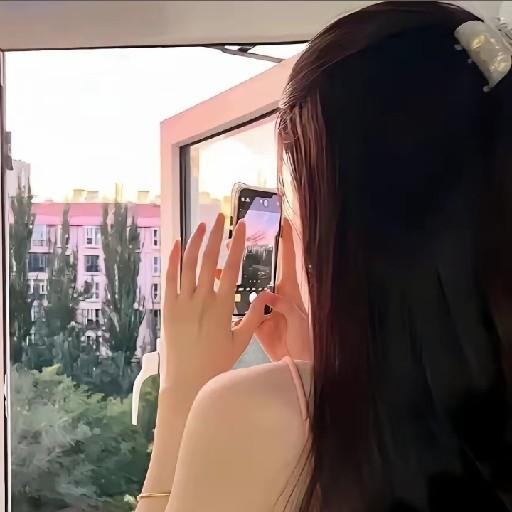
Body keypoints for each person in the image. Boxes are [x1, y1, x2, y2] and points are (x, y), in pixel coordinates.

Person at [136, 2, 512, 511]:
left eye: (297, 206)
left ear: (341, 230)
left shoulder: (256, 418)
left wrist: (183, 396)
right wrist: (321, 364)